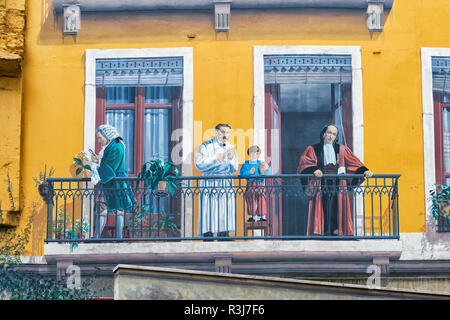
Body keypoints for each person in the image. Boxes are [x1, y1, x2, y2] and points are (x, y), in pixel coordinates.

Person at [296, 124, 373, 236]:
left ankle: (336, 231)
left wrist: (364, 170)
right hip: (321, 182)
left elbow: (353, 162)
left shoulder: (341, 149)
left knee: (336, 206)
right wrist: (314, 170)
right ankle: (322, 230)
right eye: (329, 133)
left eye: (334, 134)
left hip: (338, 182)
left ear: (336, 136)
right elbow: (305, 162)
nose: (331, 136)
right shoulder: (312, 149)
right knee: (323, 206)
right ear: (323, 134)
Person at [90, 124, 136, 239]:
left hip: (116, 182)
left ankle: (119, 238)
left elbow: (110, 167)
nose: (99, 141)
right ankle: (96, 237)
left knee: (118, 209)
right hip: (107, 182)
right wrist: (97, 162)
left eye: (100, 138)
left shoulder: (117, 146)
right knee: (102, 208)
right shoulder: (109, 146)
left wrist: (97, 164)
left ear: (107, 135)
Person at [195, 123, 238, 239]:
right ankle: (208, 235)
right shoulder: (205, 146)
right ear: (216, 132)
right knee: (209, 210)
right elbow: (199, 164)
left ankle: (223, 235)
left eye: (228, 132)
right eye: (223, 132)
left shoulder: (230, 147)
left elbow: (234, 168)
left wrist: (230, 159)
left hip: (225, 182)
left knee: (224, 211)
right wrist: (215, 159)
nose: (225, 135)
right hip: (210, 181)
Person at [240, 145, 271, 222]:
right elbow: (242, 173)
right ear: (249, 154)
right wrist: (249, 172)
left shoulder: (261, 163)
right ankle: (252, 216)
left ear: (258, 155)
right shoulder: (246, 164)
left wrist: (266, 169)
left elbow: (267, 172)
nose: (254, 155)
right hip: (250, 184)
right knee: (251, 200)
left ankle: (262, 216)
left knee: (261, 200)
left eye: (256, 153)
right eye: (252, 153)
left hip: (260, 184)